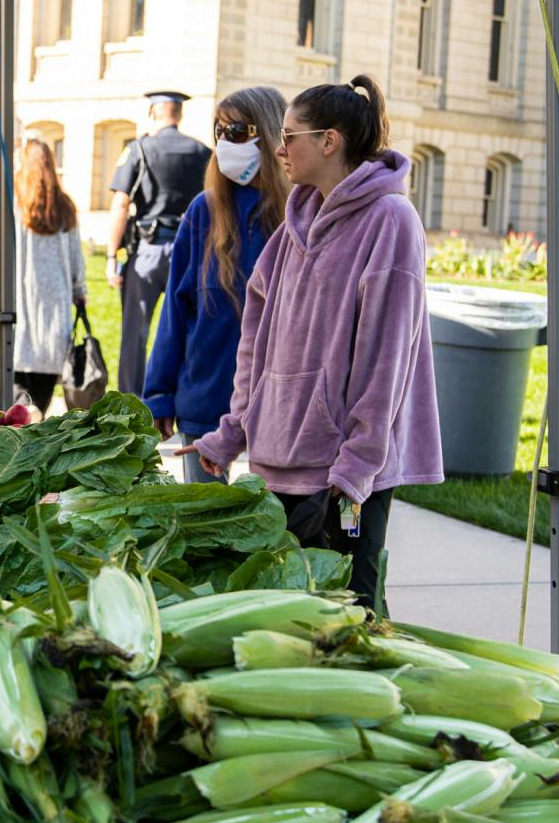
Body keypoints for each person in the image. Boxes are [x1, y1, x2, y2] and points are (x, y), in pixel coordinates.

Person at [186, 77, 442, 611]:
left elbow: (388, 357)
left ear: (330, 141)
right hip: (279, 456)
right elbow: (257, 343)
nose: (278, 148)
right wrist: (231, 432)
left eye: (290, 136)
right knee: (293, 612)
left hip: (344, 474)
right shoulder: (293, 226)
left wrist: (357, 465)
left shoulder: (391, 221)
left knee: (352, 607)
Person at [142, 86, 292, 481]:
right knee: (204, 529)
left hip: (278, 408)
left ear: (270, 134)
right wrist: (159, 394)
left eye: (237, 130)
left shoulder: (299, 214)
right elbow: (175, 311)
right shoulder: (203, 211)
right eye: (219, 130)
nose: (225, 140)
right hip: (205, 398)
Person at [0, 137, 86, 413]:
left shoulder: (7, 203)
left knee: (8, 401)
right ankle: (35, 415)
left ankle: (17, 417)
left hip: (15, 308)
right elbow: (76, 259)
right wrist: (80, 292)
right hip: (53, 311)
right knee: (41, 396)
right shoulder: (65, 207)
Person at [107, 89, 210, 397]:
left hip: (148, 252)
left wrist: (112, 255)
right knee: (187, 330)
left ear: (154, 113)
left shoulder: (139, 149)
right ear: (179, 114)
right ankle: (178, 397)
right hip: (189, 253)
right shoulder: (202, 152)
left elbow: (121, 204)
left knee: (135, 332)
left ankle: (132, 400)